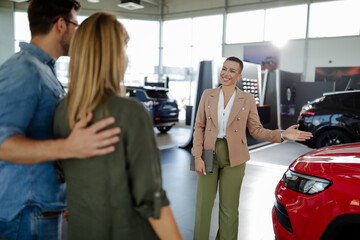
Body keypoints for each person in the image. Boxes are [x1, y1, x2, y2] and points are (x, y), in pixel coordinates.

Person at [52, 12, 182, 240]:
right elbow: (152, 201)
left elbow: (62, 174)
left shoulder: (63, 111)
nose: (126, 58)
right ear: (113, 56)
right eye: (124, 49)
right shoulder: (131, 114)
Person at [0, 1, 121, 239]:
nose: (78, 34)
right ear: (61, 25)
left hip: (43, 207)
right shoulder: (24, 71)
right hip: (27, 213)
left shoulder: (45, 71)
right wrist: (70, 147)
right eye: (76, 24)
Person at [192, 56, 313, 240]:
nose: (226, 73)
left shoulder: (247, 99)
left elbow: (256, 130)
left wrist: (282, 134)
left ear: (239, 75)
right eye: (224, 69)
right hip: (207, 152)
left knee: (229, 208)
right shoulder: (207, 94)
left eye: (232, 71)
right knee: (203, 206)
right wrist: (197, 156)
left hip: (236, 155)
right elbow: (199, 126)